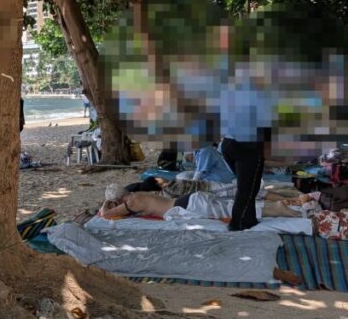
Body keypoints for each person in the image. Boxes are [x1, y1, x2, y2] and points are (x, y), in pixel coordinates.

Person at [219, 62, 275, 231]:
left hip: (228, 144)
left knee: (247, 186)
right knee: (248, 188)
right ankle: (238, 223)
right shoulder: (259, 96)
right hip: (247, 146)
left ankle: (248, 218)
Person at [98, 183, 308, 221]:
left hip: (187, 205)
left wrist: (105, 204)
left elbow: (105, 215)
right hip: (189, 201)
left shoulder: (132, 201)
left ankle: (278, 208)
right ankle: (279, 206)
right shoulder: (139, 195)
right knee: (234, 207)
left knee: (236, 210)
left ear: (117, 199)